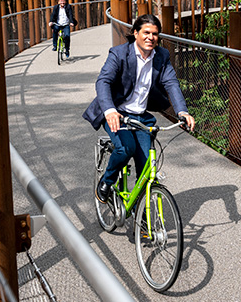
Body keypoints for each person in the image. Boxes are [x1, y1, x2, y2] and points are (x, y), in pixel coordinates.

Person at [83, 14, 195, 203]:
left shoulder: (162, 56)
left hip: (141, 116)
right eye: (146, 32)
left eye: (155, 34)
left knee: (146, 168)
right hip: (117, 113)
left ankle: (142, 215)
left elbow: (172, 84)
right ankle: (107, 181)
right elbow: (103, 81)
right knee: (126, 149)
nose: (151, 37)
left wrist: (182, 112)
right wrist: (109, 110)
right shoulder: (119, 53)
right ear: (136, 33)